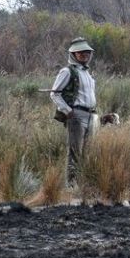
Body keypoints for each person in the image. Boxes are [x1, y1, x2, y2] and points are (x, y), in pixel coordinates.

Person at [49, 37, 97, 188]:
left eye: (87, 52)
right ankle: (71, 186)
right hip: (76, 116)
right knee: (75, 152)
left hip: (90, 116)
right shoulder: (67, 71)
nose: (84, 55)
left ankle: (82, 184)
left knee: (87, 152)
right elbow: (54, 93)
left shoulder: (88, 74)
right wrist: (67, 111)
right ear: (73, 54)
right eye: (80, 52)